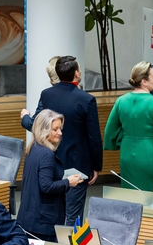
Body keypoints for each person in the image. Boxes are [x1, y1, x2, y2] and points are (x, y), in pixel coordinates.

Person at [21, 56, 102, 226]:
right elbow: (93, 136)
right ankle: (71, 243)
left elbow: (37, 124)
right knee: (73, 215)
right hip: (77, 165)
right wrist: (96, 166)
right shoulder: (86, 99)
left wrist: (25, 118)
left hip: (50, 163)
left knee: (54, 212)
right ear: (76, 73)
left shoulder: (47, 94)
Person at [104, 61, 153, 191]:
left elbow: (110, 131)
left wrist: (124, 139)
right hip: (152, 156)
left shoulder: (121, 101)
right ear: (144, 81)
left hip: (127, 155)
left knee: (131, 195)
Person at [16, 110, 82, 242]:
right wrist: (68, 182)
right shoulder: (47, 154)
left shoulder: (33, 148)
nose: (60, 133)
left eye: (60, 129)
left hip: (29, 217)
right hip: (44, 222)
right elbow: (46, 186)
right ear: (44, 130)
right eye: (55, 129)